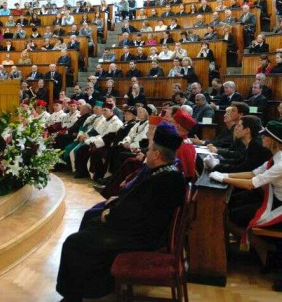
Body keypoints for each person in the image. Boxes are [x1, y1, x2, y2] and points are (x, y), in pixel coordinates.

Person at [56, 121, 185, 300]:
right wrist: (116, 205)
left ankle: (73, 296)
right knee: (89, 227)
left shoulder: (165, 179)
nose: (145, 153)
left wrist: (111, 215)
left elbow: (140, 213)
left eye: (148, 150)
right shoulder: (167, 172)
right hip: (138, 229)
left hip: (141, 237)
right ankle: (94, 284)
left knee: (74, 243)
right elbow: (139, 204)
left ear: (156, 154)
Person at [210, 121, 282, 260]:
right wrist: (225, 175)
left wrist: (222, 179)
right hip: (271, 199)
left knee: (230, 217)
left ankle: (267, 251)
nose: (262, 138)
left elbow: (251, 184)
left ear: (274, 140)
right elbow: (253, 173)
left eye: (265, 136)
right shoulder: (277, 156)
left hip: (281, 207)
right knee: (231, 207)